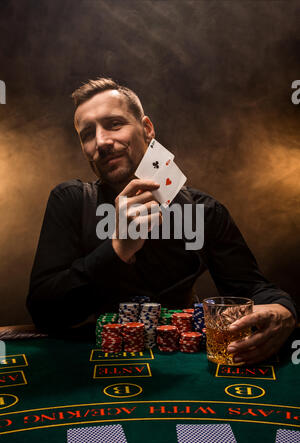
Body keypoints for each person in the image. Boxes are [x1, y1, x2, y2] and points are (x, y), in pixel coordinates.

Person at [26, 77, 297, 364]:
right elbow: (44, 312)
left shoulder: (203, 211)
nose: (102, 141)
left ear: (146, 129)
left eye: (114, 124)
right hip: (89, 365)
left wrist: (284, 310)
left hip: (182, 365)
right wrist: (118, 249)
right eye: (87, 134)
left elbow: (253, 289)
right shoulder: (70, 201)